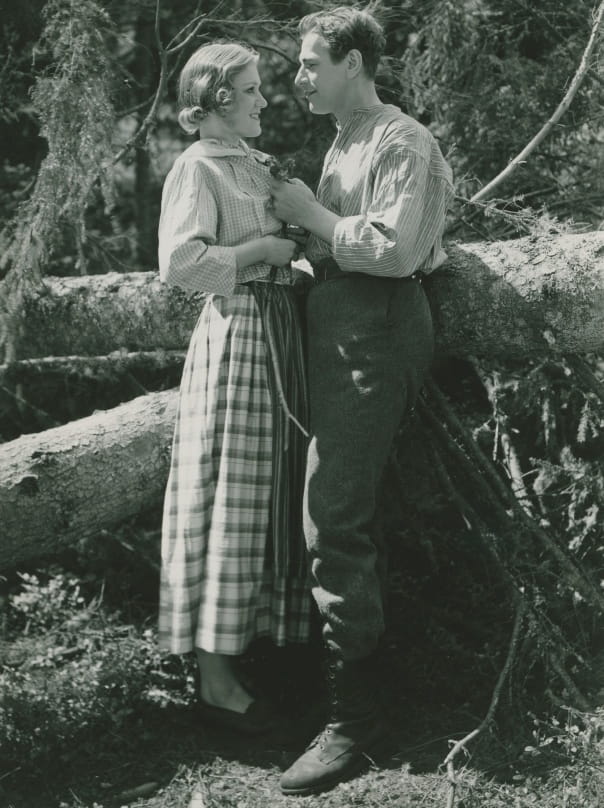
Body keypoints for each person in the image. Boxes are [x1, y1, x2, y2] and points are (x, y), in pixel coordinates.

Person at [269, 6, 454, 795]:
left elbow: (400, 249)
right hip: (338, 323)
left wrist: (310, 215)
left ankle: (357, 722)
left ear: (353, 63)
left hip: (376, 329)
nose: (299, 77)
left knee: (333, 511)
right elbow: (340, 246)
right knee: (327, 506)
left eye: (312, 64)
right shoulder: (344, 138)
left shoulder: (400, 139)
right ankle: (347, 692)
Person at [157, 41, 312, 736]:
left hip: (280, 334)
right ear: (218, 98)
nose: (263, 100)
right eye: (250, 90)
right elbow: (181, 264)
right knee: (228, 494)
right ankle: (215, 683)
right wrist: (259, 254)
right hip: (239, 336)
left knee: (268, 495)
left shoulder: (254, 163)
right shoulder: (197, 167)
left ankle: (259, 653)